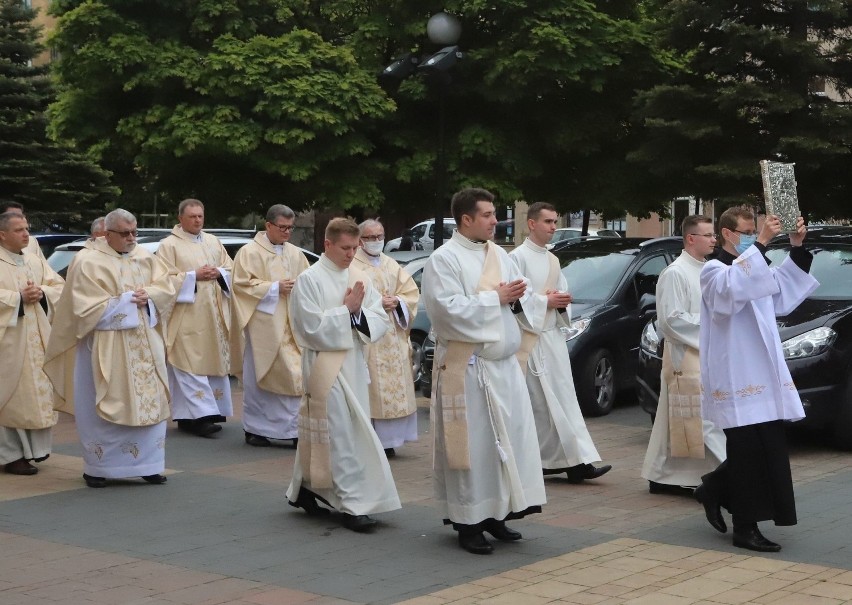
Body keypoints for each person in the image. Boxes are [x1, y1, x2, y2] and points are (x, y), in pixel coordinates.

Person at [422, 188, 546, 555]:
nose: (497, 221)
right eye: (489, 215)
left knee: (505, 445)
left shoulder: (500, 256)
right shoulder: (443, 260)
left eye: (495, 214)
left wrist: (522, 298)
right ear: (466, 219)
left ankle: (497, 513)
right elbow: (445, 311)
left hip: (503, 367)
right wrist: (496, 298)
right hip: (468, 369)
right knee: (472, 447)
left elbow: (518, 301)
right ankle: (468, 522)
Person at [695, 207, 818, 552]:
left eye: (755, 231)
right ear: (727, 234)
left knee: (768, 448)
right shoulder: (713, 270)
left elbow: (782, 292)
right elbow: (730, 292)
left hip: (763, 371)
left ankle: (714, 488)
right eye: (747, 231)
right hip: (735, 374)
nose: (752, 235)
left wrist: (796, 246)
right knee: (747, 452)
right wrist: (761, 244)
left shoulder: (753, 266)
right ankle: (744, 527)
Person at [44, 209, 176, 488]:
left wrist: (150, 295)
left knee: (150, 401)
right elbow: (82, 308)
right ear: (107, 233)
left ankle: (148, 464)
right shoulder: (87, 261)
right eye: (125, 233)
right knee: (104, 402)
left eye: (134, 232)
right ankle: (99, 467)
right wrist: (128, 300)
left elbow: (167, 288)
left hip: (144, 344)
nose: (131, 238)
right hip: (106, 345)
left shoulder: (144, 256)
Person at [285, 217, 400, 532]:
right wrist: (346, 310)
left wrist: (359, 312)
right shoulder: (309, 279)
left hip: (353, 363)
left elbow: (378, 318)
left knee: (327, 433)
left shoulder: (360, 276)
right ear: (328, 245)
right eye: (345, 248)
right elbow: (308, 329)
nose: (351, 254)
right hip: (324, 365)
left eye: (355, 247)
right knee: (341, 436)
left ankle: (305, 488)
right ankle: (352, 505)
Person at [509, 203, 612, 484]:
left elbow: (562, 291)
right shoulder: (517, 258)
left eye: (555, 222)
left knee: (565, 402)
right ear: (531, 224)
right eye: (548, 222)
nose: (554, 227)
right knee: (541, 405)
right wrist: (545, 301)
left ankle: (575, 460)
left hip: (552, 339)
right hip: (531, 341)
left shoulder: (553, 259)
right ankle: (551, 461)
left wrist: (561, 300)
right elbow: (516, 300)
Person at [641, 215, 726, 494]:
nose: (714, 239)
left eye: (714, 235)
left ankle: (664, 475)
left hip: (706, 352)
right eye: (708, 235)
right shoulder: (675, 273)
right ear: (691, 238)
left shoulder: (707, 269)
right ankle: (731, 471)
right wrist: (712, 326)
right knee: (699, 419)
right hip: (685, 355)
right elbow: (671, 320)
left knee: (677, 419)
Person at [231, 204, 309, 447]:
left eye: (290, 228)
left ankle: (294, 430)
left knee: (296, 375)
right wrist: (275, 288)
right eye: (282, 227)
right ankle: (256, 429)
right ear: (268, 226)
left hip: (292, 325)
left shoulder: (296, 254)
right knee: (259, 379)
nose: (287, 232)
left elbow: (308, 282)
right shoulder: (249, 252)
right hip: (263, 328)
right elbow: (241, 286)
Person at [157, 199, 234, 438]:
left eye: (200, 216)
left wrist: (219, 273)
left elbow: (230, 268)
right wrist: (193, 276)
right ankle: (200, 417)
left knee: (210, 361)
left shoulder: (213, 241)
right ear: (180, 218)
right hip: (186, 317)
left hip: (213, 315)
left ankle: (196, 415)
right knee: (188, 364)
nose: (197, 220)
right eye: (192, 216)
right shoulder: (168, 245)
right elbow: (162, 280)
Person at [0, 212, 64, 475]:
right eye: (19, 230)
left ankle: (34, 451)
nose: (27, 234)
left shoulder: (35, 259)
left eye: (27, 229)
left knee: (36, 397)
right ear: (2, 235)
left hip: (37, 340)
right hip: (9, 344)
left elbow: (58, 286)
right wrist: (17, 298)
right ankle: (12, 455)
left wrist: (42, 293)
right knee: (12, 398)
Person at [352, 219, 420, 457]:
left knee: (394, 388)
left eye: (380, 236)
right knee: (373, 390)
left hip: (393, 335)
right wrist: (377, 303)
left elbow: (410, 293)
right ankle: (371, 440)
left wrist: (398, 302)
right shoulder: (353, 266)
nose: (376, 241)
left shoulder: (392, 264)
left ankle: (390, 441)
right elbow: (348, 297)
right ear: (360, 240)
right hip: (370, 338)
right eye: (370, 237)